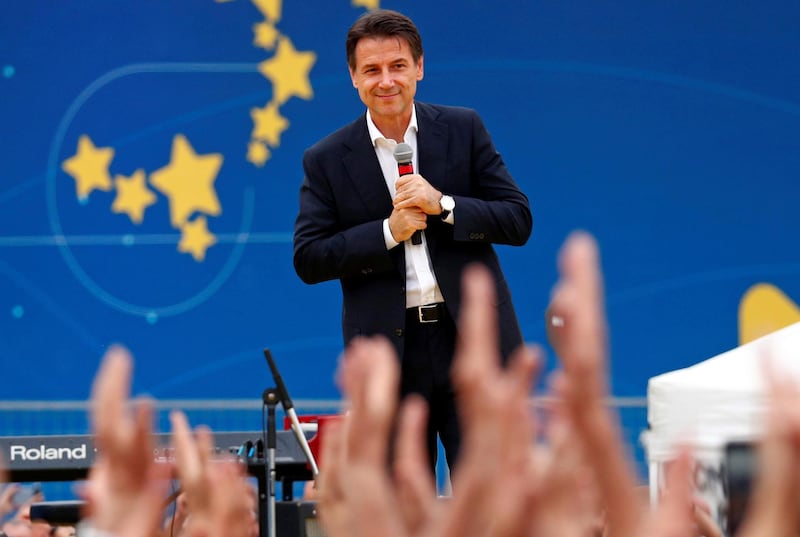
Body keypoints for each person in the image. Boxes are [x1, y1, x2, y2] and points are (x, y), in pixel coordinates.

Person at [293, 8, 532, 474]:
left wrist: (443, 204)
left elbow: (517, 219)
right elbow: (309, 257)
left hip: (472, 346)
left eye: (398, 66)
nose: (387, 81)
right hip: (388, 356)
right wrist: (388, 232)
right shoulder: (325, 159)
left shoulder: (463, 129)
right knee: (404, 509)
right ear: (353, 78)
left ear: (419, 68)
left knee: (488, 503)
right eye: (372, 70)